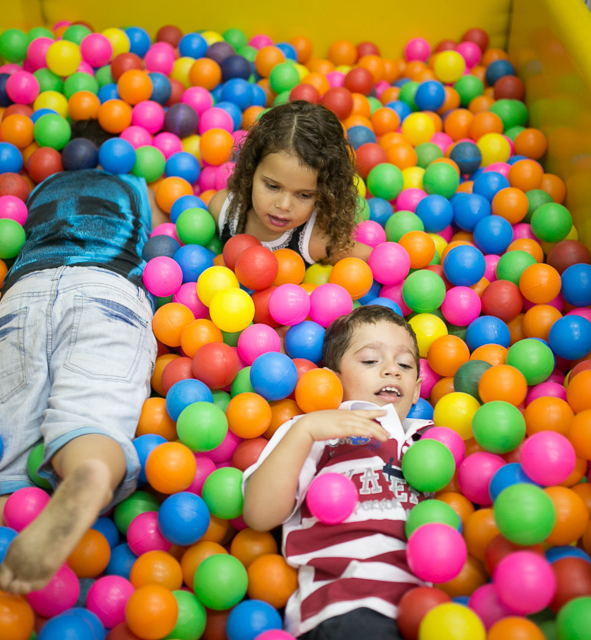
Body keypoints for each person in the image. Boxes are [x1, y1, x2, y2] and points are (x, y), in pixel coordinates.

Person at [0, 121, 168, 595]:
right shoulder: (137, 186)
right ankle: (89, 466)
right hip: (106, 287)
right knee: (91, 412)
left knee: (7, 456)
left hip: (22, 297)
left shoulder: (44, 188)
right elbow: (161, 239)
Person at [242, 305, 434, 639]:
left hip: (430, 613)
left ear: (417, 389)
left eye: (404, 364)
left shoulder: (431, 440)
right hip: (346, 607)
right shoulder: (317, 432)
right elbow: (259, 514)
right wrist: (306, 431)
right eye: (371, 360)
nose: (392, 370)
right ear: (333, 378)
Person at [207, 100, 372, 265]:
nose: (284, 205)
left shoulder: (317, 241)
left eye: (304, 195)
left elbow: (378, 260)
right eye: (272, 186)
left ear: (324, 195)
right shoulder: (223, 208)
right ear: (251, 171)